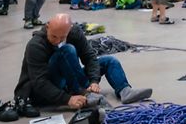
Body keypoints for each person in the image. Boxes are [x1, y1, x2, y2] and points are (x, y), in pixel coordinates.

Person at [13, 14, 152, 110]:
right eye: (54, 36)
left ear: (69, 30)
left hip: (70, 78)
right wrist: (67, 99)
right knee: (67, 50)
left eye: (62, 37)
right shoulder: (35, 45)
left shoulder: (75, 33)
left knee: (109, 61)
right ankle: (85, 93)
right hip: (47, 88)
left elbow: (89, 57)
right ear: (47, 26)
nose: (57, 41)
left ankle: (125, 91)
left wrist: (94, 81)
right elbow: (40, 83)